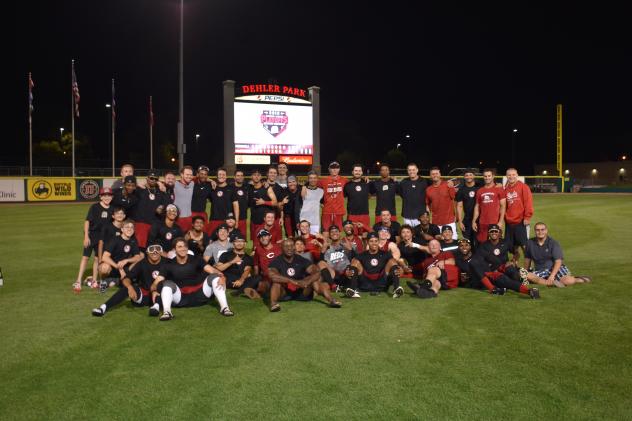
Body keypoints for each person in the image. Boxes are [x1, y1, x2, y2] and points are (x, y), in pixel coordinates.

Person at [150, 238, 233, 320]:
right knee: (167, 283)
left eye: (185, 246)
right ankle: (167, 312)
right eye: (180, 247)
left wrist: (222, 277)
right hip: (180, 298)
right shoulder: (168, 264)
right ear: (174, 249)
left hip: (200, 295)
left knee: (215, 277)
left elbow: (212, 270)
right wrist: (154, 290)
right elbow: (156, 283)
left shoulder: (196, 259)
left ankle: (225, 308)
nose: (183, 249)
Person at [91, 243, 166, 317]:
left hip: (162, 296)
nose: (155, 252)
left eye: (158, 249)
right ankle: (103, 308)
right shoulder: (142, 263)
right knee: (127, 288)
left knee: (166, 288)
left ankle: (156, 307)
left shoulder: (167, 263)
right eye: (152, 249)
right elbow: (127, 278)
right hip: (145, 296)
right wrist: (130, 288)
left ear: (161, 251)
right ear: (147, 252)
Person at [268, 239, 342, 312]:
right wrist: (293, 281)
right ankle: (273, 304)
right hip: (284, 292)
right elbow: (272, 276)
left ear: (294, 247)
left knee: (314, 280)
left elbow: (317, 271)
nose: (289, 248)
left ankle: (331, 300)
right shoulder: (276, 261)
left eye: (291, 245)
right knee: (276, 282)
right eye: (286, 246)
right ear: (281, 248)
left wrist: (307, 281)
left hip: (302, 290)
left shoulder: (301, 259)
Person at [453, 238, 540, 298]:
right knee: (474, 263)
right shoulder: (458, 261)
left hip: (489, 277)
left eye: (466, 245)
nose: (464, 247)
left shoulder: (478, 255)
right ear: (458, 247)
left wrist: (495, 269)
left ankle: (529, 291)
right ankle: (493, 289)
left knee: (506, 281)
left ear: (470, 247)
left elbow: (496, 261)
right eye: (461, 246)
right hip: (477, 282)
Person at [524, 222, 592, 287]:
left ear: (546, 231)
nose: (540, 232)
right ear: (535, 231)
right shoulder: (529, 243)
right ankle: (551, 283)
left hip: (555, 268)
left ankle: (578, 279)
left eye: (542, 230)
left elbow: (558, 261)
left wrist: (552, 276)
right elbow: (527, 259)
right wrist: (525, 272)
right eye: (537, 230)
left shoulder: (553, 243)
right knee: (526, 275)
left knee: (567, 281)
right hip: (540, 270)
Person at [73, 187, 113, 291]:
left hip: (102, 238)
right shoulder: (95, 207)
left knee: (97, 259)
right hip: (92, 236)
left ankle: (95, 281)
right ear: (100, 197)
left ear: (112, 197)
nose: (107, 197)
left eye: (109, 195)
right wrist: (86, 236)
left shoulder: (112, 209)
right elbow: (87, 221)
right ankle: (78, 281)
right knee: (85, 257)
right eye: (104, 195)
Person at [350, 232, 404, 298]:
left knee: (392, 261)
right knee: (355, 262)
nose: (374, 243)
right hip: (365, 284)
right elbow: (352, 265)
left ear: (378, 241)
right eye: (371, 241)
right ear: (367, 242)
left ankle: (396, 288)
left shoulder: (386, 254)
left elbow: (395, 266)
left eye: (376, 241)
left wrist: (400, 269)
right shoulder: (362, 255)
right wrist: (348, 270)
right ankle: (352, 290)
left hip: (382, 283)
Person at [317, 225, 360, 297]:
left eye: (336, 231)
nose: (334, 233)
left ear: (340, 233)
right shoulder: (327, 248)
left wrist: (351, 250)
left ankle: (352, 290)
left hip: (347, 273)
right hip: (334, 275)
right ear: (329, 235)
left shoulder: (348, 244)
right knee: (321, 263)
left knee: (355, 262)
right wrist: (322, 252)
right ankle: (334, 286)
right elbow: (322, 263)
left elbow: (357, 259)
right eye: (332, 232)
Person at [215, 233, 261, 299]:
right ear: (233, 243)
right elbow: (219, 268)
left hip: (241, 280)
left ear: (245, 243)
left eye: (241, 241)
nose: (239, 243)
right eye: (237, 241)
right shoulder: (225, 254)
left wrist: (241, 280)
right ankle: (246, 289)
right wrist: (232, 262)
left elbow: (247, 270)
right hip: (227, 279)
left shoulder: (248, 258)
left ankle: (239, 291)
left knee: (258, 277)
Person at [98, 219, 143, 284]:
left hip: (124, 266)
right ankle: (103, 282)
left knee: (141, 257)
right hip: (112, 266)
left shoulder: (133, 241)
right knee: (104, 267)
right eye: (127, 227)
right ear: (122, 229)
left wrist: (126, 260)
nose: (129, 229)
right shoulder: (115, 239)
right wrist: (118, 267)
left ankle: (121, 280)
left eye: (132, 227)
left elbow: (137, 257)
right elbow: (105, 257)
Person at [134, 170, 168, 250]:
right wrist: (137, 185)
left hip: (154, 225)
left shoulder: (160, 191)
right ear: (147, 178)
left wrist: (165, 191)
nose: (153, 180)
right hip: (141, 223)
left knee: (152, 248)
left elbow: (167, 204)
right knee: (140, 249)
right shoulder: (139, 190)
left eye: (156, 179)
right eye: (151, 178)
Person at [504, 168, 534, 257]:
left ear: (517, 175)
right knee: (513, 247)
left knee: (524, 246)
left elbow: (528, 202)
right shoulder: (505, 189)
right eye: (509, 175)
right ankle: (515, 266)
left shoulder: (523, 187)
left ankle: (529, 268)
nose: (511, 176)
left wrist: (527, 217)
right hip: (509, 222)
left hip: (521, 221)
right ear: (506, 176)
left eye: (513, 174)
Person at [472, 169, 506, 244]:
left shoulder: (499, 189)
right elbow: (477, 206)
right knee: (483, 244)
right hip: (483, 222)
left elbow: (503, 206)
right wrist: (474, 221)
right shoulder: (480, 191)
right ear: (483, 177)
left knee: (496, 245)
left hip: (495, 222)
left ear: (493, 176)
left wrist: (500, 221)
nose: (487, 178)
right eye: (485, 176)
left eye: (489, 176)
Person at [425, 167, 457, 238]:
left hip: (449, 221)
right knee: (439, 245)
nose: (435, 175)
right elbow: (427, 205)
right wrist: (428, 219)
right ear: (430, 176)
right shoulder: (428, 189)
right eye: (433, 174)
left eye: (436, 173)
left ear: (440, 174)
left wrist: (456, 216)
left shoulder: (448, 185)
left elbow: (455, 201)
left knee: (453, 242)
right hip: (436, 222)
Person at [207, 167, 239, 236]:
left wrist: (236, 221)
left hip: (227, 220)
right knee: (212, 241)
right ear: (217, 176)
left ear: (226, 176)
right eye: (220, 174)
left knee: (226, 242)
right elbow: (201, 178)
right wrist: (210, 180)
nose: (222, 176)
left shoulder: (231, 188)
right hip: (214, 220)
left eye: (223, 174)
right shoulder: (212, 187)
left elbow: (236, 205)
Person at [318, 161, 348, 231]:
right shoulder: (323, 181)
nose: (334, 170)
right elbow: (312, 187)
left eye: (336, 168)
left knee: (337, 233)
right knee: (325, 232)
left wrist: (364, 180)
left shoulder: (344, 180)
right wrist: (319, 202)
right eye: (332, 168)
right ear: (329, 169)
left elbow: (355, 184)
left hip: (339, 212)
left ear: (339, 169)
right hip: (327, 211)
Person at [249, 169, 278, 241]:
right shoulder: (248, 188)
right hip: (254, 221)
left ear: (261, 177)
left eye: (258, 175)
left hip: (265, 222)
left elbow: (275, 202)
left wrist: (264, 202)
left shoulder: (267, 188)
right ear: (251, 176)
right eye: (254, 175)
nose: (256, 177)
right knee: (255, 243)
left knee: (267, 242)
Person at [253, 229, 282, 294]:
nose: (263, 238)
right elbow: (256, 264)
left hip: (279, 275)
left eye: (265, 236)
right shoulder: (258, 249)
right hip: (266, 276)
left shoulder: (279, 247)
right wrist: (256, 276)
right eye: (261, 237)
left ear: (270, 236)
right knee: (260, 284)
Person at [398, 163, 428, 227]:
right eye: (410, 170)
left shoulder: (425, 181)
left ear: (417, 170)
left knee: (420, 235)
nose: (411, 172)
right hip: (407, 214)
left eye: (413, 170)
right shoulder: (404, 182)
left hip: (421, 215)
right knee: (408, 235)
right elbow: (401, 193)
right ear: (407, 171)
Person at [456, 170, 480, 246]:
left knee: (479, 241)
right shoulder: (461, 190)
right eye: (467, 175)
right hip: (467, 219)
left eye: (470, 175)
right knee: (468, 242)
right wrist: (460, 221)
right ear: (464, 177)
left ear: (474, 176)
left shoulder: (479, 187)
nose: (469, 177)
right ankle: (470, 257)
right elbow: (459, 206)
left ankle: (479, 257)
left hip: (479, 219)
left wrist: (498, 184)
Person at [344, 164, 370, 230]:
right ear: (352, 172)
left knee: (365, 235)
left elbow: (370, 194)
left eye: (359, 171)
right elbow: (343, 197)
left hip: (365, 214)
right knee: (353, 235)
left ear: (362, 172)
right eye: (355, 170)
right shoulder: (347, 185)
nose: (357, 172)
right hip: (352, 215)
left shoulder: (367, 183)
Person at [173, 166, 195, 232]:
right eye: (187, 174)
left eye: (191, 175)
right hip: (178, 218)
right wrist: (159, 183)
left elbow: (201, 177)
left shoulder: (192, 183)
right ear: (182, 175)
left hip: (189, 218)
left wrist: (211, 180)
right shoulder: (175, 184)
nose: (189, 176)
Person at [231, 169, 249, 239]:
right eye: (238, 175)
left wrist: (264, 182)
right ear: (234, 177)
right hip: (231, 219)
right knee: (231, 239)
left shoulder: (247, 187)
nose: (240, 177)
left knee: (242, 238)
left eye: (241, 175)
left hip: (243, 218)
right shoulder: (230, 187)